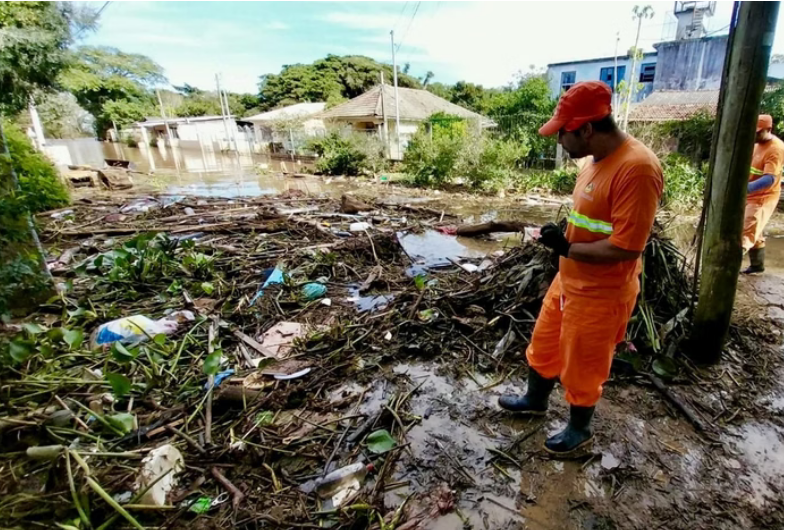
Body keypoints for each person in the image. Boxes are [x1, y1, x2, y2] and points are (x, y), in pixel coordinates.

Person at [498, 81, 663, 456]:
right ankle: (535, 401)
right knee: (542, 347)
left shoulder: (637, 169)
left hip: (602, 294)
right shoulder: (593, 162)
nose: (558, 140)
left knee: (584, 367)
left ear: (587, 129)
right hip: (570, 280)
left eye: (563, 132)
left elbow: (627, 246)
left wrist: (568, 247)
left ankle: (579, 430)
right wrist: (565, 246)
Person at [741, 114, 783, 274]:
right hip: (750, 194)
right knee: (753, 229)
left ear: (768, 129)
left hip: (763, 197)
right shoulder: (756, 144)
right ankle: (757, 265)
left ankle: (726, 270)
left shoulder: (776, 149)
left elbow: (769, 179)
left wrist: (747, 188)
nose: (755, 135)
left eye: (758, 132)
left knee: (747, 230)